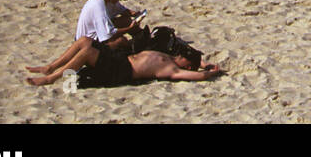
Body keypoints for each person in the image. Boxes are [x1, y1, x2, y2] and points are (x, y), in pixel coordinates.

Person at [24, 39, 223, 87]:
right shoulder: (173, 57)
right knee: (85, 40)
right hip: (119, 59)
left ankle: (51, 78)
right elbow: (197, 62)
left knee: (87, 52)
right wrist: (204, 63)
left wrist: (209, 72)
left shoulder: (173, 69)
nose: (182, 52)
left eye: (186, 55)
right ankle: (50, 66)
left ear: (187, 65)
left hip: (120, 70)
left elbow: (198, 76)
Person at [75, 0, 142, 50]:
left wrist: (134, 14)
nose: (118, 1)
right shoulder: (99, 7)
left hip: (97, 31)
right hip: (89, 39)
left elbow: (122, 10)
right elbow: (108, 34)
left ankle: (140, 37)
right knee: (121, 40)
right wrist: (129, 28)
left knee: (126, 20)